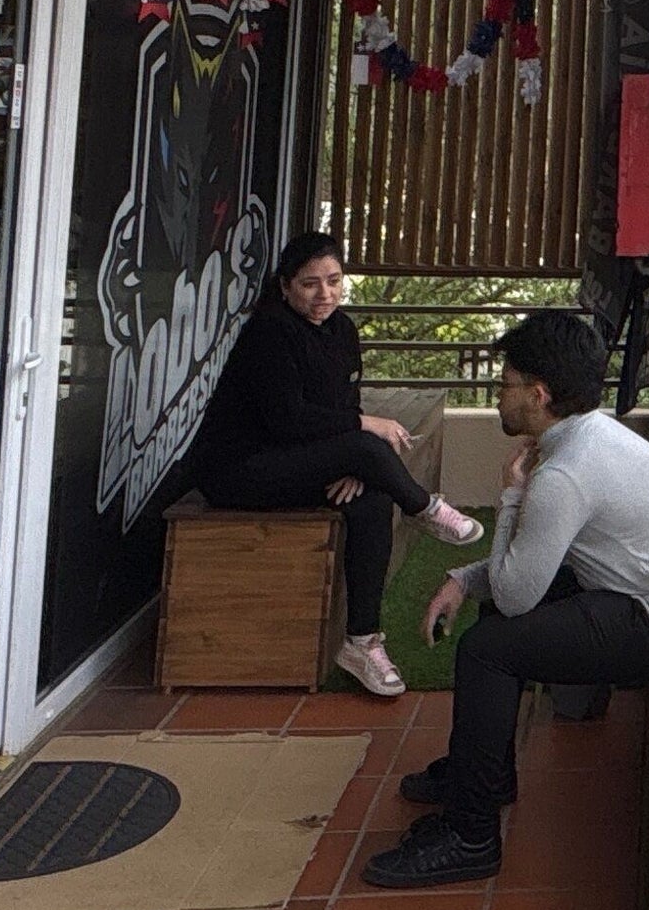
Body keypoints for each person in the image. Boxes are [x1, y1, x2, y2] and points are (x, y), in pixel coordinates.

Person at [363, 308, 649, 888]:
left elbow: (518, 593)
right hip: (647, 593)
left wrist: (510, 499)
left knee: (487, 648)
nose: (499, 396)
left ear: (539, 395)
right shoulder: (588, 434)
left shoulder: (564, 472)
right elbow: (525, 569)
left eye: (505, 385)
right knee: (497, 610)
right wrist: (464, 579)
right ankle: (485, 776)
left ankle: (472, 836)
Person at [194, 233, 477, 695]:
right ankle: (425, 509)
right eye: (309, 284)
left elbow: (341, 407)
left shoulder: (342, 329)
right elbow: (288, 419)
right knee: (370, 445)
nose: (324, 294)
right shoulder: (269, 331)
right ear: (285, 286)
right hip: (240, 471)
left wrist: (349, 461)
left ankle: (361, 642)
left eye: (333, 280)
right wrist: (358, 437)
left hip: (296, 461)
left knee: (371, 497)